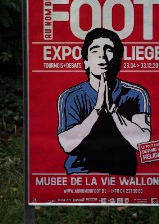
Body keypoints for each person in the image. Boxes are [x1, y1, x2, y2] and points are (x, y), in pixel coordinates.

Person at [57, 27, 151, 176]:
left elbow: (142, 143)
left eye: (109, 50)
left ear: (118, 60)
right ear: (85, 62)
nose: (102, 56)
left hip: (122, 174)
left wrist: (113, 111)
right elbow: (67, 145)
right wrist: (97, 110)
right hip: (81, 174)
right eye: (95, 50)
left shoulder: (136, 94)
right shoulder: (70, 97)